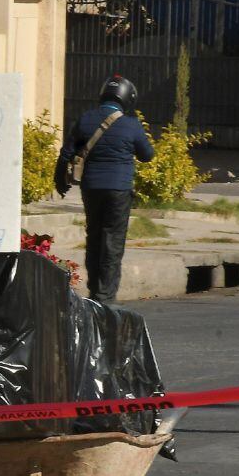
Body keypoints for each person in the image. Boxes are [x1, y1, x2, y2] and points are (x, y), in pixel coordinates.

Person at [55, 74, 154, 305]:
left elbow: (66, 153)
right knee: (113, 241)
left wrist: (59, 181)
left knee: (95, 237)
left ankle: (93, 293)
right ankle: (106, 296)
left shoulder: (86, 119)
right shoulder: (131, 125)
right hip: (119, 190)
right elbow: (147, 156)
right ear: (127, 98)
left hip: (91, 189)